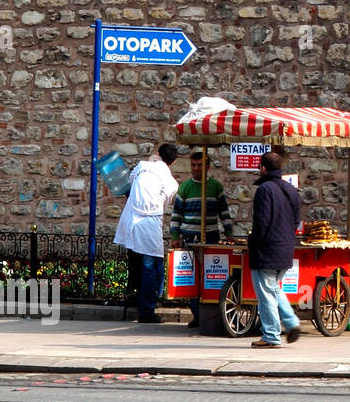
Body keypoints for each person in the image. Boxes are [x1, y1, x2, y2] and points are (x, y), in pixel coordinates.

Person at [113, 143, 180, 323]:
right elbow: (163, 204)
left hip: (130, 219)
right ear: (172, 163)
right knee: (152, 267)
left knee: (135, 264)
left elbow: (128, 185)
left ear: (157, 154)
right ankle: (146, 311)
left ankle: (135, 301)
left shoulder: (142, 166)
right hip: (149, 224)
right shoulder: (173, 183)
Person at [170, 152, 235, 328]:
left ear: (207, 167)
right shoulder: (184, 188)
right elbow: (176, 215)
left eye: (200, 165)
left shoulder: (215, 187)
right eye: (194, 165)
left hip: (211, 236)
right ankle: (197, 314)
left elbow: (224, 213)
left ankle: (213, 312)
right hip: (190, 237)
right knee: (192, 276)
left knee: (212, 275)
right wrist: (175, 236)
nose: (196, 169)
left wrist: (229, 232)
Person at [247, 150, 302, 348]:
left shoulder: (265, 189)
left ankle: (271, 335)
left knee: (266, 294)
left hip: (267, 250)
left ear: (263, 168)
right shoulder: (291, 190)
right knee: (274, 288)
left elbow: (261, 222)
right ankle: (291, 322)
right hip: (286, 248)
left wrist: (253, 243)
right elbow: (296, 220)